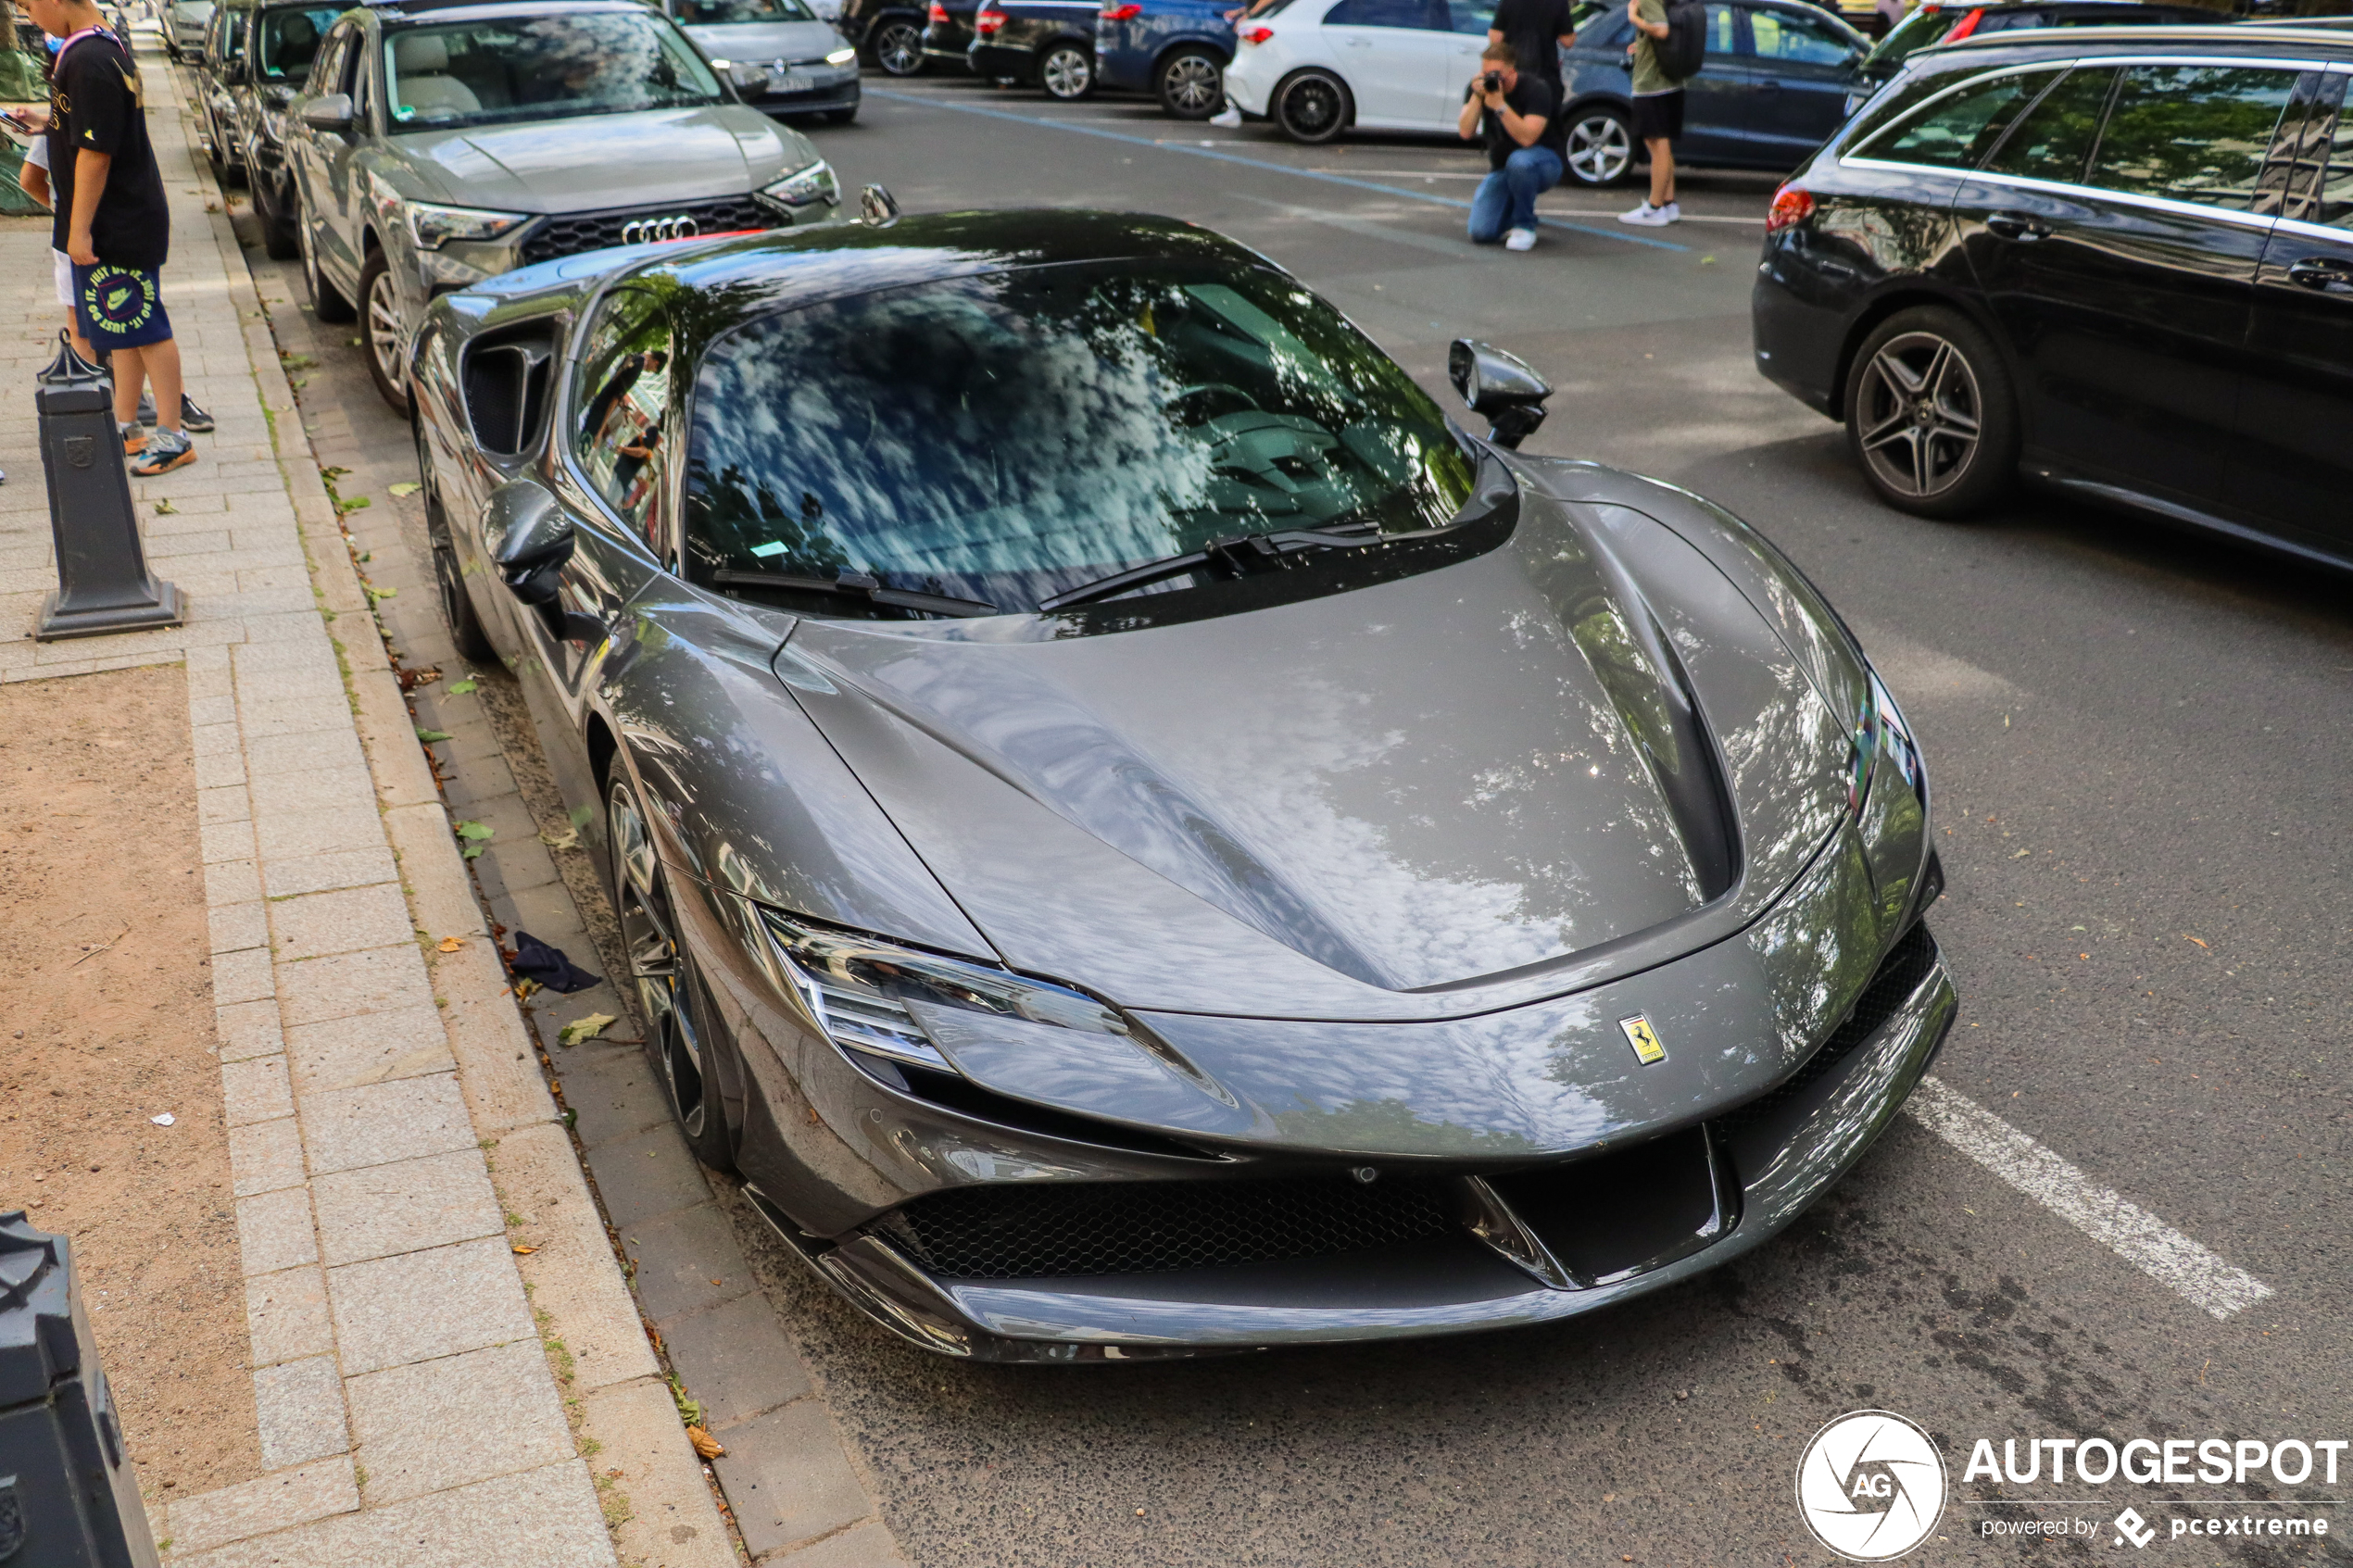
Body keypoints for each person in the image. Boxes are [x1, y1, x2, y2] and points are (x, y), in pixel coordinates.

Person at [27, 0, 197, 472]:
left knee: (144, 325)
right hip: (120, 216)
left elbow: (96, 153)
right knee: (120, 328)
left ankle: (173, 433)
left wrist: (78, 229)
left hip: (116, 221)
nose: (31, 18)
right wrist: (47, 125)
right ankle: (126, 425)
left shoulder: (90, 60)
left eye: (28, 6)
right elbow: (90, 129)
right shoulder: (99, 47)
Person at [1457, 39, 1562, 252]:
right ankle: (1510, 212)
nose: (1491, 79)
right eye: (1486, 73)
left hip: (1543, 163)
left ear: (1511, 70)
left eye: (1496, 74)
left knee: (1520, 162)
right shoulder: (1480, 88)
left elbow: (1527, 138)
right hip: (1503, 168)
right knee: (1481, 233)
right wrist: (1477, 97)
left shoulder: (1536, 89)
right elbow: (1465, 132)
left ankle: (1525, 225)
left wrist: (1500, 106)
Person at [1619, 0, 1680, 226]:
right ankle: (1668, 203)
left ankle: (1655, 208)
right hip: (1668, 81)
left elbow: (1662, 30)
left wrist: (1635, 18)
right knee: (1661, 142)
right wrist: (1641, 44)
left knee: (1656, 142)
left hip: (1652, 84)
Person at [1487, 0, 1575, 96]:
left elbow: (1495, 37)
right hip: (1545, 76)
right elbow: (1568, 41)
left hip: (1512, 75)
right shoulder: (1558, 2)